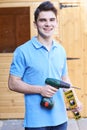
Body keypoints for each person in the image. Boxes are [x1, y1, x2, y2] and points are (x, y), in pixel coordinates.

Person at [8, 1, 82, 130]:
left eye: (52, 20)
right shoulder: (23, 51)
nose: (48, 24)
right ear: (35, 24)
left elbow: (65, 81)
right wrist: (40, 90)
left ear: (56, 23)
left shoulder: (60, 50)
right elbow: (13, 83)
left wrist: (73, 102)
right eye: (43, 20)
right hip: (36, 122)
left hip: (60, 119)